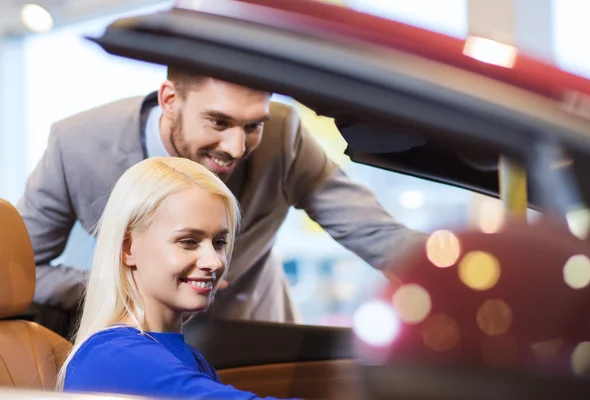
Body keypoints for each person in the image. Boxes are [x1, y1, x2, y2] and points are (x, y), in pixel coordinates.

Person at [17, 67, 426, 332]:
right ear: (169, 101)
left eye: (253, 126)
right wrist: (131, 286)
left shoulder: (285, 136)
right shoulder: (76, 145)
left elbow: (374, 232)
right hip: (140, 344)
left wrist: (450, 277)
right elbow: (22, 272)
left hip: (253, 334)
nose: (235, 147)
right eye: (218, 122)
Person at [58, 156, 295, 399]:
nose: (213, 261)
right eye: (189, 242)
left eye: (219, 242)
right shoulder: (114, 356)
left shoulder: (185, 355)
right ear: (127, 248)